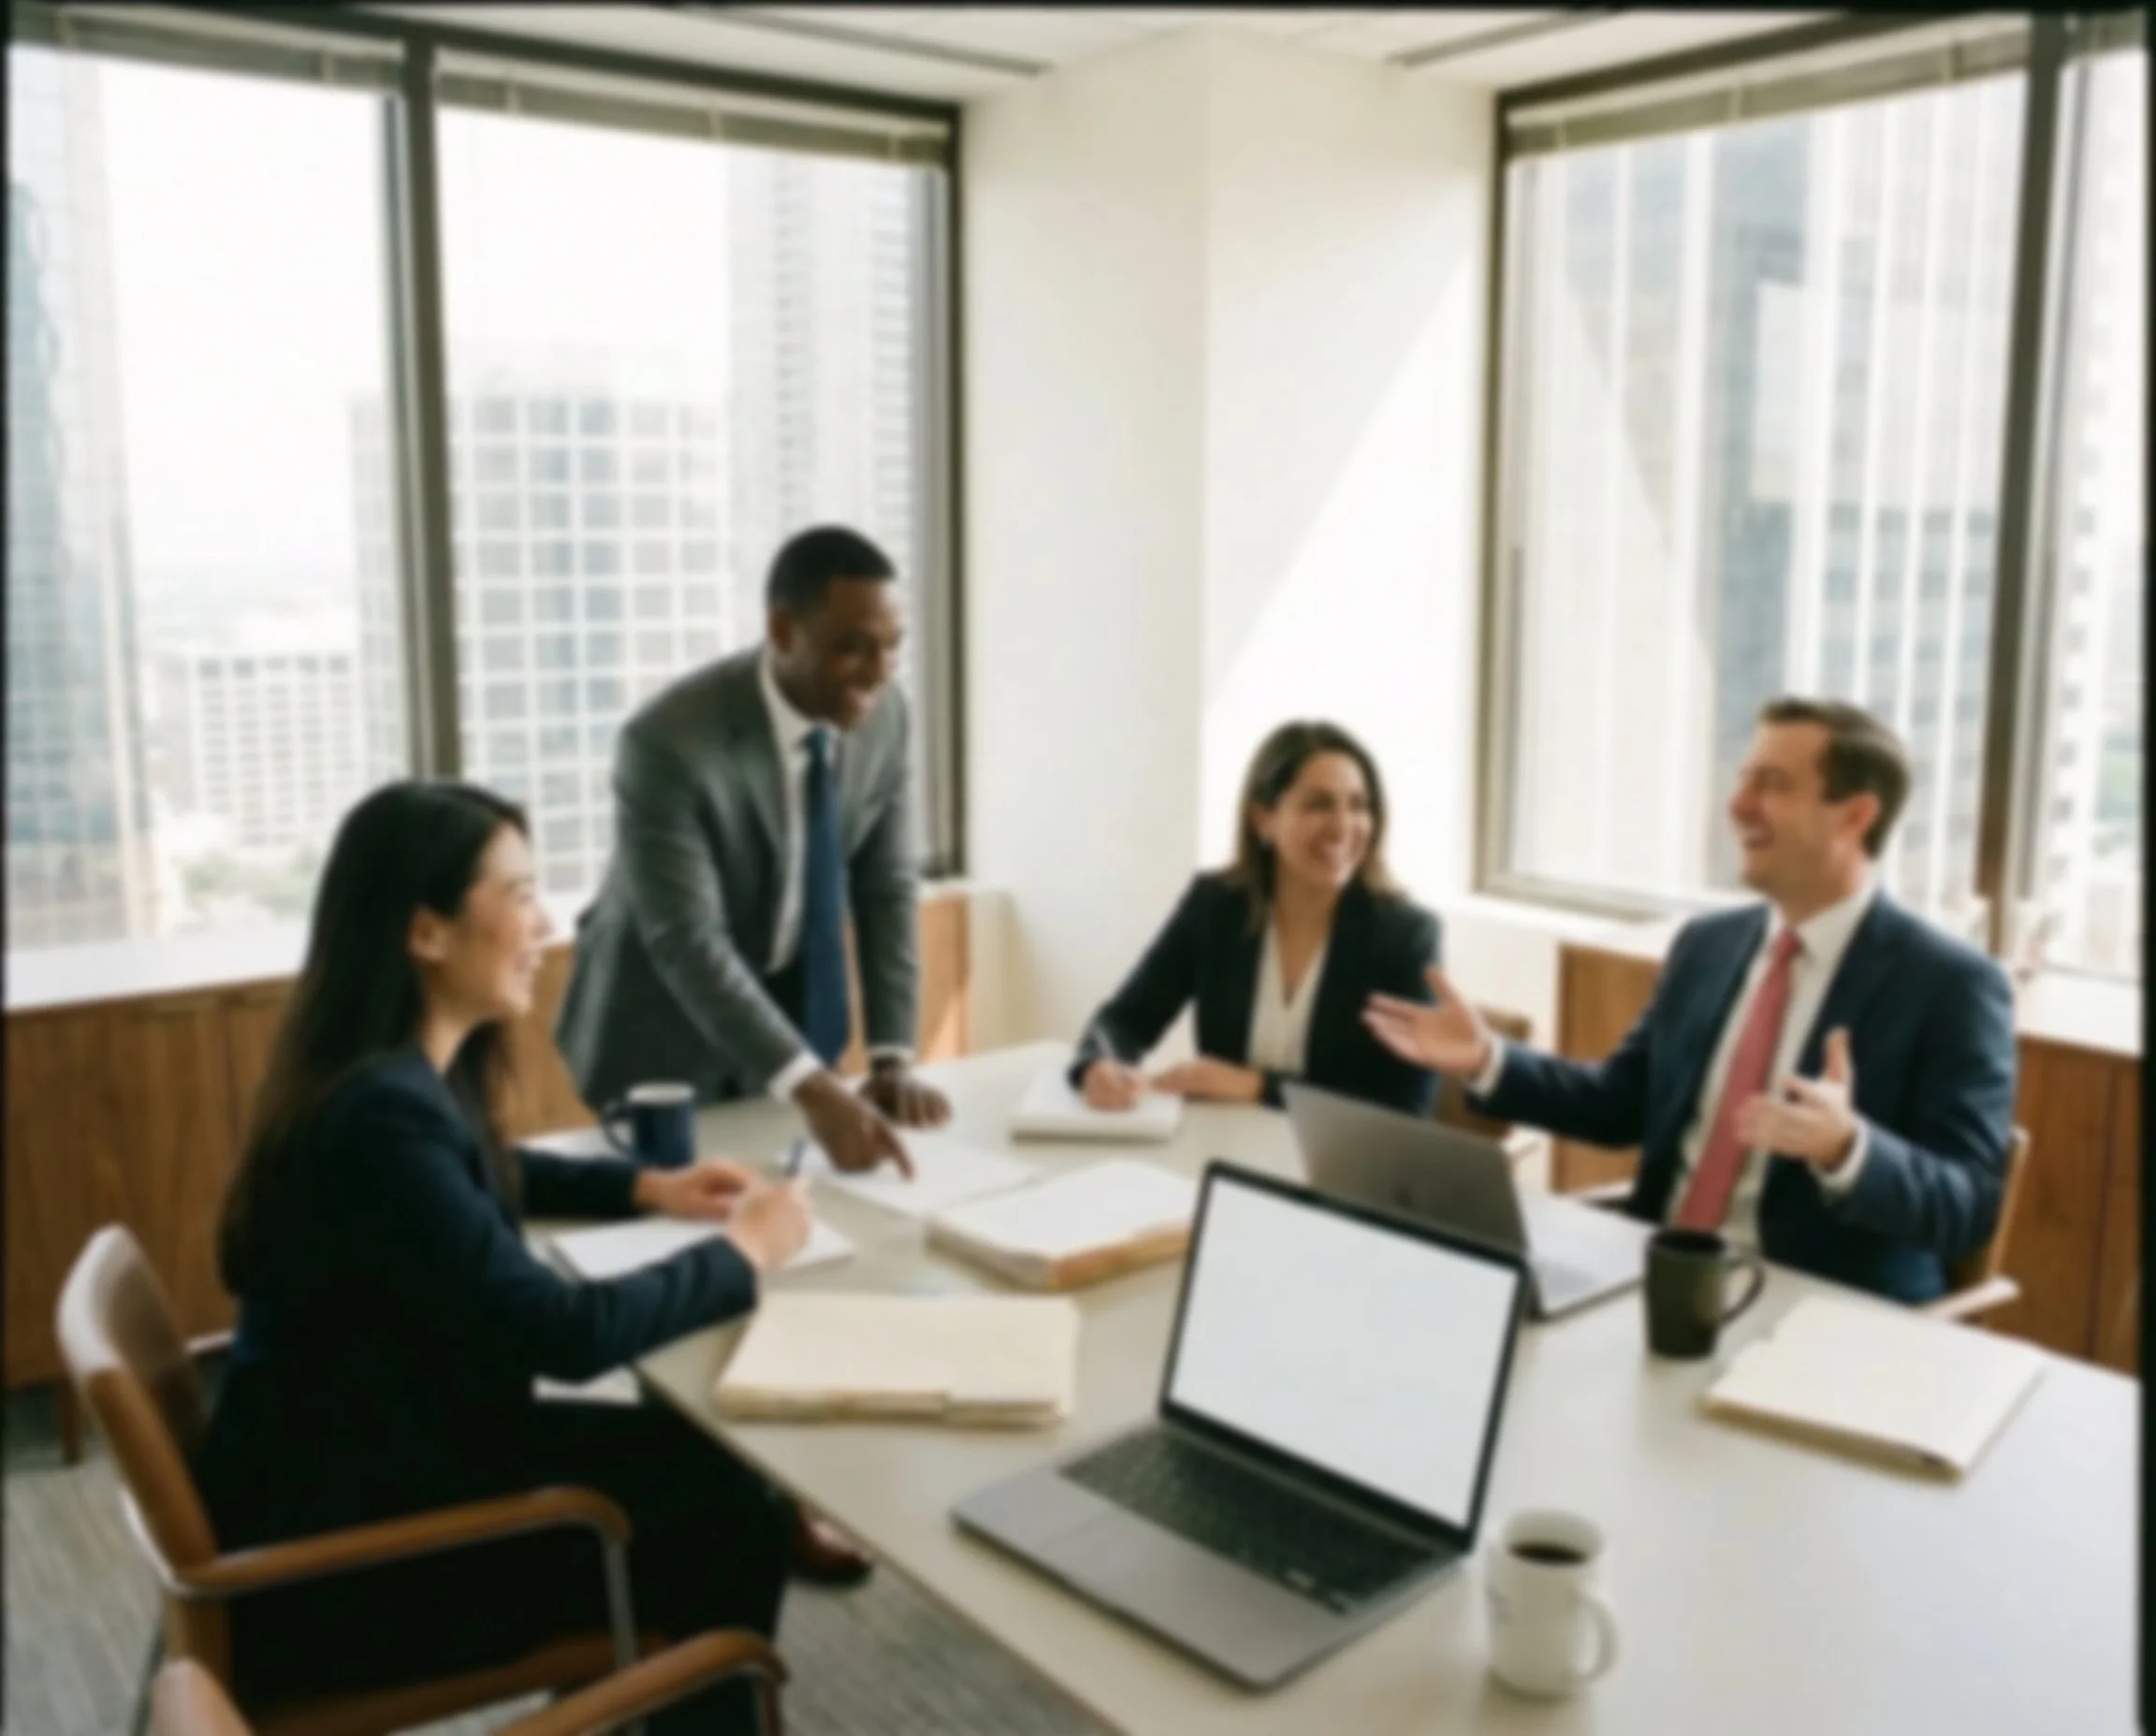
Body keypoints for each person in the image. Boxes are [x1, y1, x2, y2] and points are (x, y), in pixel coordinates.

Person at [197, 780, 812, 1734]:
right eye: (518, 894)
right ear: (427, 932)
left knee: (702, 1462)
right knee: (734, 1513)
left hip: (348, 1481)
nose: (545, 920)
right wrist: (743, 1250)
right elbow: (559, 1332)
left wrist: (640, 1187)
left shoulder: (372, 1081)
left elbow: (473, 1171)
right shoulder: (383, 1115)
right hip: (351, 1577)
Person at [1364, 696, 2016, 1305]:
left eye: (1773, 785)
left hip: (1818, 1310)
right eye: (1744, 779)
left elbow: (1968, 1209)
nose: (1738, 805)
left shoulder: (1953, 985)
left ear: (1856, 815)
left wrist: (1849, 1149)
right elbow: (1620, 1102)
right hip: (1659, 1282)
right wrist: (1487, 1058)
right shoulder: (1708, 944)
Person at [556, 524, 950, 1178]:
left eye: (891, 647)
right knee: (679, 1231)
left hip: (788, 1023)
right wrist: (814, 1086)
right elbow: (687, 939)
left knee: (802, 1223)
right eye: (852, 647)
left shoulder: (886, 716)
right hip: (660, 1033)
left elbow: (887, 888)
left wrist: (890, 1056)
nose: (879, 672)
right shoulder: (667, 741)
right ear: (783, 629)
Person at [1071, 721, 1443, 1116]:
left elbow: (1404, 1106)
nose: (1342, 826)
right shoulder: (1215, 905)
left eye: (1358, 805)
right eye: (1319, 804)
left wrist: (1257, 1086)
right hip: (1222, 1147)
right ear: (1263, 818)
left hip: (1340, 1168)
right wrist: (1098, 1064)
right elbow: (1125, 1020)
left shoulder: (1406, 935)